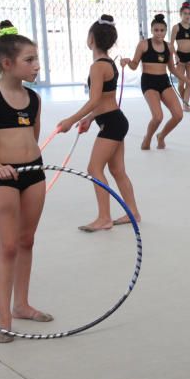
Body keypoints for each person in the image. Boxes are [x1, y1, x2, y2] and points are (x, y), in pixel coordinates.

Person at [0, 21, 52, 343]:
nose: (36, 65)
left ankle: (21, 304)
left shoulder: (34, 99)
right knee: (7, 246)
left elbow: (32, 139)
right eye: (29, 60)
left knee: (27, 241)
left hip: (34, 173)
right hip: (3, 176)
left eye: (36, 59)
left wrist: (14, 156)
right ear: (8, 64)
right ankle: (3, 315)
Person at [57, 16, 141, 232]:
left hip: (112, 123)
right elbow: (104, 99)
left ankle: (104, 217)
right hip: (114, 120)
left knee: (94, 168)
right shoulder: (108, 63)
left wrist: (70, 120)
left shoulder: (97, 67)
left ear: (91, 39)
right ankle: (133, 211)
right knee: (117, 170)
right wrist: (89, 118)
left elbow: (95, 100)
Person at [121, 14, 189, 150]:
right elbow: (134, 66)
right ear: (152, 30)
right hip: (149, 82)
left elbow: (172, 69)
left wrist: (189, 81)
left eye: (162, 30)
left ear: (165, 31)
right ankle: (147, 138)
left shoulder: (169, 47)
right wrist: (127, 62)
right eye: (156, 30)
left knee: (178, 115)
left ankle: (161, 136)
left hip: (163, 81)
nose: (159, 33)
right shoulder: (143, 44)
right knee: (158, 117)